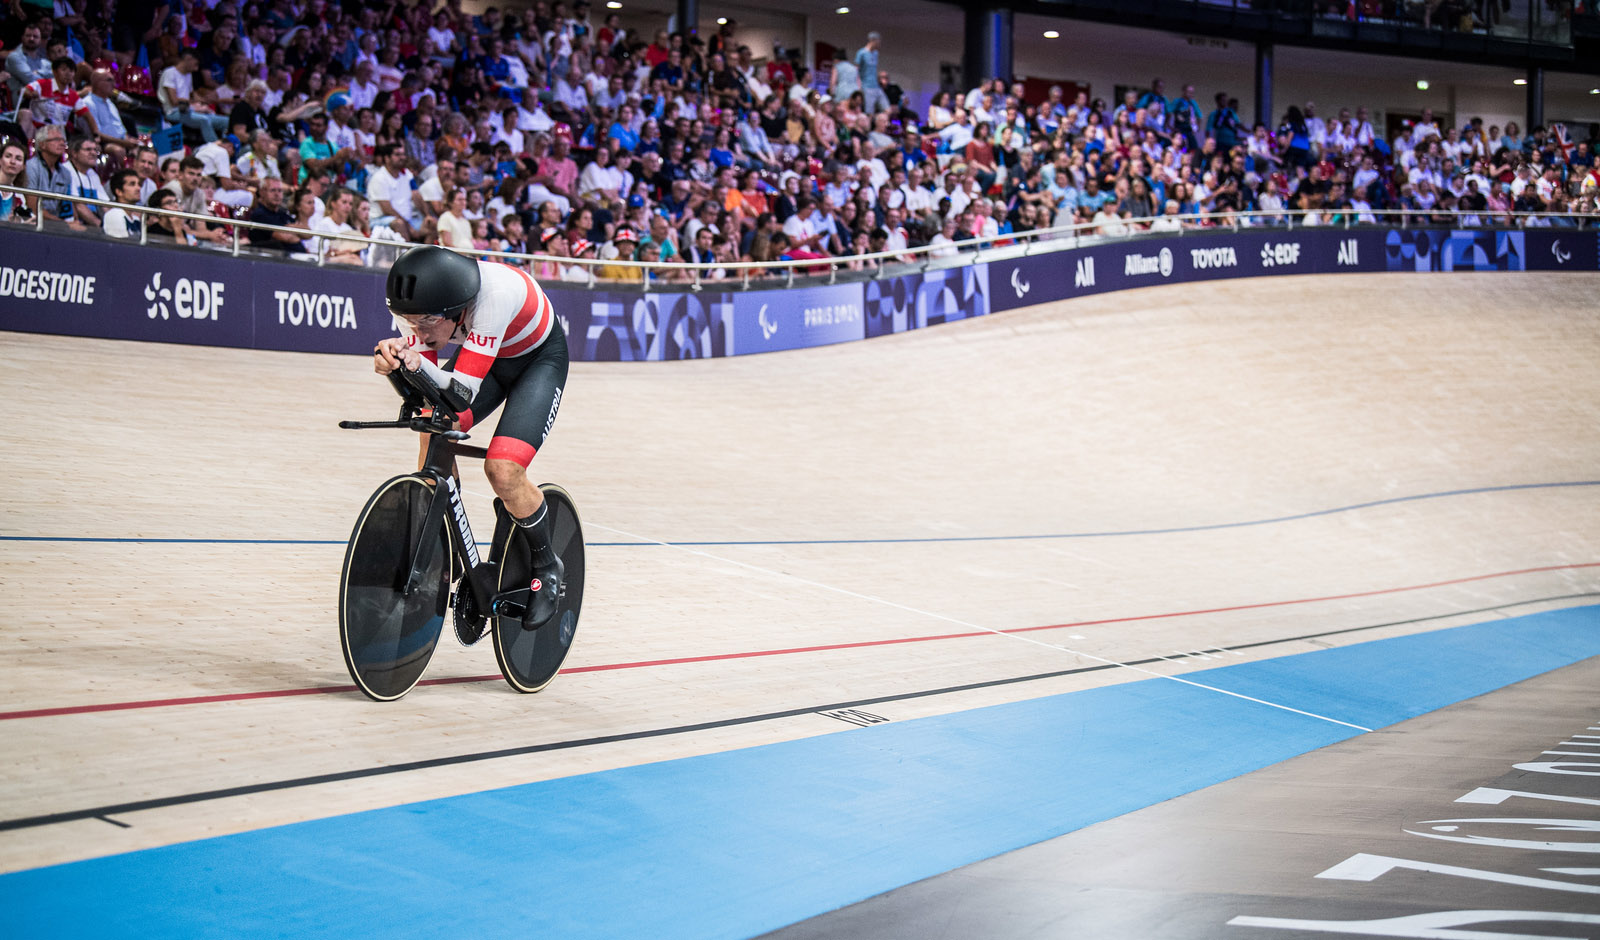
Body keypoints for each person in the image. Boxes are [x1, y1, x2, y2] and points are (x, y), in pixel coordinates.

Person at [372, 247, 570, 633]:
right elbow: (425, 380)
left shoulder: (494, 297)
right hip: (489, 357)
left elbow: (459, 391)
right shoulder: (423, 307)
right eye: (407, 322)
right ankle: (441, 537)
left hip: (537, 362)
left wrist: (417, 363)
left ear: (456, 308)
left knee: (503, 469)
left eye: (426, 322)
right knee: (432, 427)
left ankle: (547, 564)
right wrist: (394, 361)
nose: (417, 331)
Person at [101, 170, 146, 238]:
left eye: (139, 184)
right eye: (132, 184)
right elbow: (120, 246)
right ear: (119, 192)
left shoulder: (135, 219)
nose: (138, 188)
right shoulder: (114, 215)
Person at [1, 138, 36, 224]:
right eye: (8, 156)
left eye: (18, 159)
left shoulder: (19, 196)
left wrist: (23, 224)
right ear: (0, 160)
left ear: (23, 166)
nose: (12, 162)